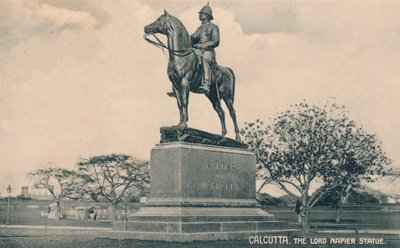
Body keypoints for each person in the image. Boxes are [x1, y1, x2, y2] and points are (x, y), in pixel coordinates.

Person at [167, 2, 220, 96]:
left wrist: (201, 46)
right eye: (200, 14)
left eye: (202, 14)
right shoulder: (199, 28)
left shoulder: (214, 27)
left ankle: (207, 84)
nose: (200, 15)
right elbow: (192, 39)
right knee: (185, 60)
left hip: (208, 51)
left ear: (207, 16)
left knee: (205, 58)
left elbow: (215, 41)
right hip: (198, 51)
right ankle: (176, 87)